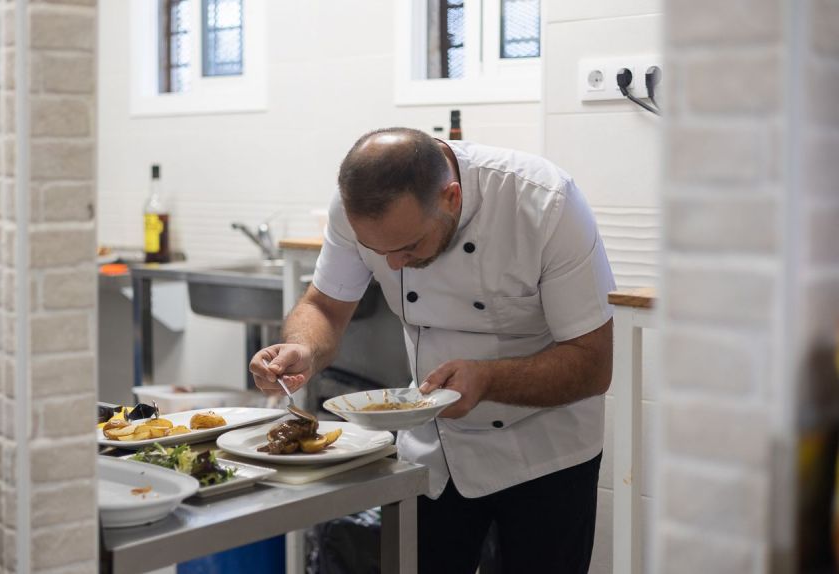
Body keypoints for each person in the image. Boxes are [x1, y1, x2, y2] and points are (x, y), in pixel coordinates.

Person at [250, 127, 615, 573]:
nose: (395, 264)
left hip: (545, 453)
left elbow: (592, 362)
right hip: (434, 451)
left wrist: (488, 379)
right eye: (377, 252)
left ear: (451, 198)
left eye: (408, 247)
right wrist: (301, 347)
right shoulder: (356, 208)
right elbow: (325, 305)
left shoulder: (546, 202)